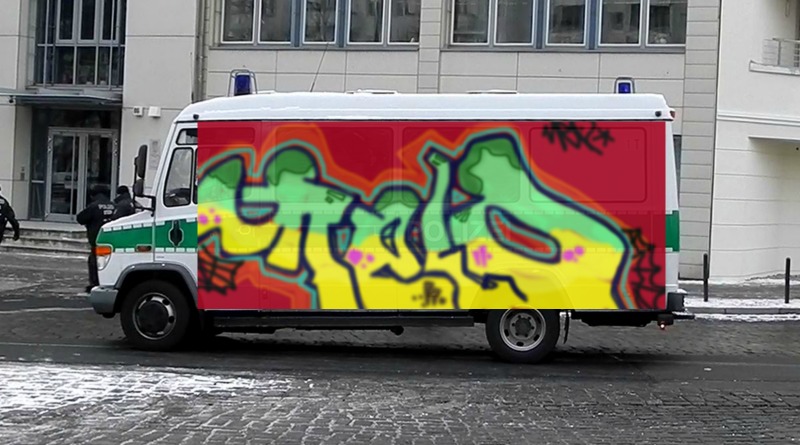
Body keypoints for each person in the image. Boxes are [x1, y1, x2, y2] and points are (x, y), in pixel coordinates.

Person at [77, 185, 115, 293]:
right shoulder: (113, 205)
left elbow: (80, 218)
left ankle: (95, 284)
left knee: (94, 262)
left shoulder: (94, 206)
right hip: (111, 240)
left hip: (97, 240)